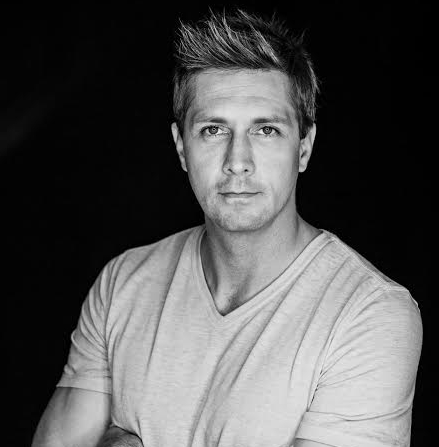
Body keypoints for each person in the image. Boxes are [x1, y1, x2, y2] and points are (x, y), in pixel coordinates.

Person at [32, 8, 422, 447]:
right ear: (182, 148)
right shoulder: (123, 283)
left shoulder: (370, 314)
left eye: (266, 130)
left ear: (304, 148)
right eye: (214, 130)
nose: (238, 161)